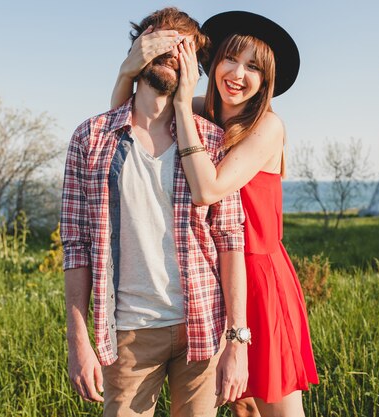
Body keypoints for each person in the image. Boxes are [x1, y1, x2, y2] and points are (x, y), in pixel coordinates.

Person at [111, 10, 319, 417]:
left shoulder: (267, 126)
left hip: (258, 277)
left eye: (254, 67)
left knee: (278, 409)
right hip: (214, 273)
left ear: (266, 80)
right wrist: (126, 71)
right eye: (231, 59)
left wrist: (185, 106)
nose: (238, 74)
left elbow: (208, 189)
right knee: (240, 408)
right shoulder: (201, 108)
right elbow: (123, 124)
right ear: (213, 60)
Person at [61, 8, 251, 417]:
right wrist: (78, 341)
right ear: (139, 48)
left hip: (203, 326)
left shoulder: (212, 142)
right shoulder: (89, 138)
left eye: (183, 48)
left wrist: (237, 341)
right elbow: (75, 246)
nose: (171, 52)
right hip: (128, 334)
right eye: (160, 42)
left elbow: (231, 240)